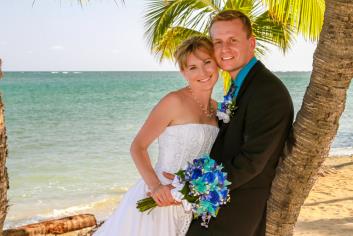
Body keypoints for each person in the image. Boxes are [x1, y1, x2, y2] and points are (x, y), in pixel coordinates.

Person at [181, 10, 294, 236]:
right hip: (221, 203)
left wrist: (189, 189)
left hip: (238, 209)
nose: (224, 49)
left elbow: (252, 162)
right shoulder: (240, 85)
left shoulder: (266, 90)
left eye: (233, 40)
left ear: (251, 43)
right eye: (218, 42)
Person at [93, 36, 220, 236]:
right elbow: (138, 146)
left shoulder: (217, 109)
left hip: (190, 202)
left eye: (207, 62)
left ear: (217, 63)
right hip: (160, 199)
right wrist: (156, 187)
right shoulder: (174, 101)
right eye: (193, 67)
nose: (203, 72)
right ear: (184, 72)